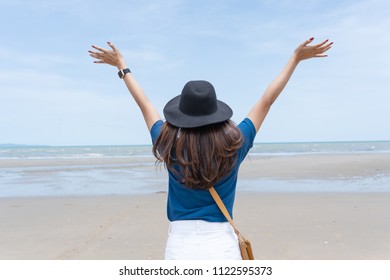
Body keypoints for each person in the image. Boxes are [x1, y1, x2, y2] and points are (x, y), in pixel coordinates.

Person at [88, 37, 332, 259]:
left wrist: (122, 66)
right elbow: (266, 100)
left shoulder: (167, 143)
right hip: (222, 245)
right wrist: (295, 59)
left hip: (179, 246)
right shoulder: (235, 143)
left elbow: (144, 103)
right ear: (216, 113)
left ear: (180, 114)